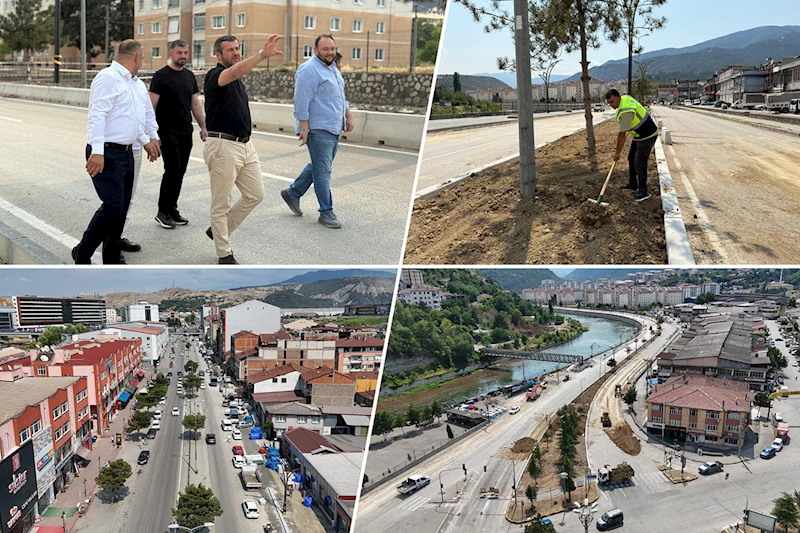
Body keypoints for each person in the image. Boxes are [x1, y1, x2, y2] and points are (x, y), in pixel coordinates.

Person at [73, 40, 160, 264]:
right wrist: (97, 151)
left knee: (121, 210)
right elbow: (97, 115)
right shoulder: (107, 78)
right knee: (113, 207)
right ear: (137, 57)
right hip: (106, 153)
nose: (142, 62)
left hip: (127, 153)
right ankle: (82, 253)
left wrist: (146, 140)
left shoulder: (136, 84)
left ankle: (111, 259)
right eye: (143, 58)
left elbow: (132, 120)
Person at [203, 34, 283, 264]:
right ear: (218, 55)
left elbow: (237, 73)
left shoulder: (237, 80)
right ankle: (224, 254)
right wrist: (262, 55)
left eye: (237, 48)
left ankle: (218, 230)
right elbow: (234, 71)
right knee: (221, 204)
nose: (236, 52)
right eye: (230, 50)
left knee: (255, 194)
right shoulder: (215, 75)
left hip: (245, 145)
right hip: (223, 146)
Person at [281, 34, 354, 229]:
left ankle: (293, 193)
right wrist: (304, 128)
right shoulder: (309, 70)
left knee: (320, 165)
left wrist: (348, 114)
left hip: (334, 126)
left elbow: (340, 95)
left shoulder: (332, 68)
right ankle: (326, 211)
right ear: (315, 50)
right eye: (325, 49)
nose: (330, 52)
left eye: (332, 48)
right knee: (323, 171)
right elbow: (301, 102)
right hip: (317, 128)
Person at [150, 40, 208, 229]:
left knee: (180, 171)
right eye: (179, 53)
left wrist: (204, 126)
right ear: (171, 54)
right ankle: (162, 212)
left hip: (185, 130)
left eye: (185, 52)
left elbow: (195, 104)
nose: (183, 56)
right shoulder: (161, 76)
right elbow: (151, 106)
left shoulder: (189, 76)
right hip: (166, 130)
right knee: (172, 169)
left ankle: (172, 209)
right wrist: (151, 134)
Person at [120, 74, 160, 254]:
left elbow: (148, 114)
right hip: (117, 147)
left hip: (135, 148)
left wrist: (154, 136)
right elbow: (128, 119)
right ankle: (110, 242)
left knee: (130, 195)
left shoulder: (140, 85)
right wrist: (146, 141)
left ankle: (119, 236)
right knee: (115, 200)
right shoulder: (114, 81)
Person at [605, 88, 659, 202]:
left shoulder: (625, 111)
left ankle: (643, 191)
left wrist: (617, 153)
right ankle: (633, 184)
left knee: (639, 162)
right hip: (638, 135)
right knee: (631, 158)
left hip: (648, 134)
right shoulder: (625, 98)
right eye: (609, 103)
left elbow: (621, 135)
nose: (611, 105)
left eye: (612, 102)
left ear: (618, 98)